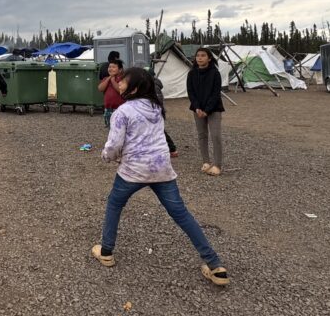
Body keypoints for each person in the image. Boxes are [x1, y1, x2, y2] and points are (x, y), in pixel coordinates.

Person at [92, 67, 230, 286]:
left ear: (134, 88)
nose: (119, 83)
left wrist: (107, 156)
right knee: (181, 214)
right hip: (162, 169)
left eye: (124, 81)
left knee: (114, 204)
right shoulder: (156, 107)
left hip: (133, 171)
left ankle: (106, 251)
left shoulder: (122, 112)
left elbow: (114, 145)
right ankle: (215, 266)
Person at [187, 48, 225, 176]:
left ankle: (217, 165)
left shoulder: (215, 73)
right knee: (202, 135)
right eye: (198, 55)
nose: (200, 58)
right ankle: (206, 162)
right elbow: (191, 92)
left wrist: (207, 110)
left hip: (213, 109)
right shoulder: (191, 74)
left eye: (203, 55)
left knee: (215, 136)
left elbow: (215, 93)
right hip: (197, 109)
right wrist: (197, 107)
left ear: (209, 58)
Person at [98, 58, 125, 129]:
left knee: (119, 128)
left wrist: (113, 81)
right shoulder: (106, 79)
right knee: (110, 128)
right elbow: (100, 88)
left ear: (120, 70)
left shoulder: (122, 79)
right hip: (108, 109)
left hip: (119, 109)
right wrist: (109, 78)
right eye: (109, 67)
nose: (111, 69)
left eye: (114, 67)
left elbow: (120, 90)